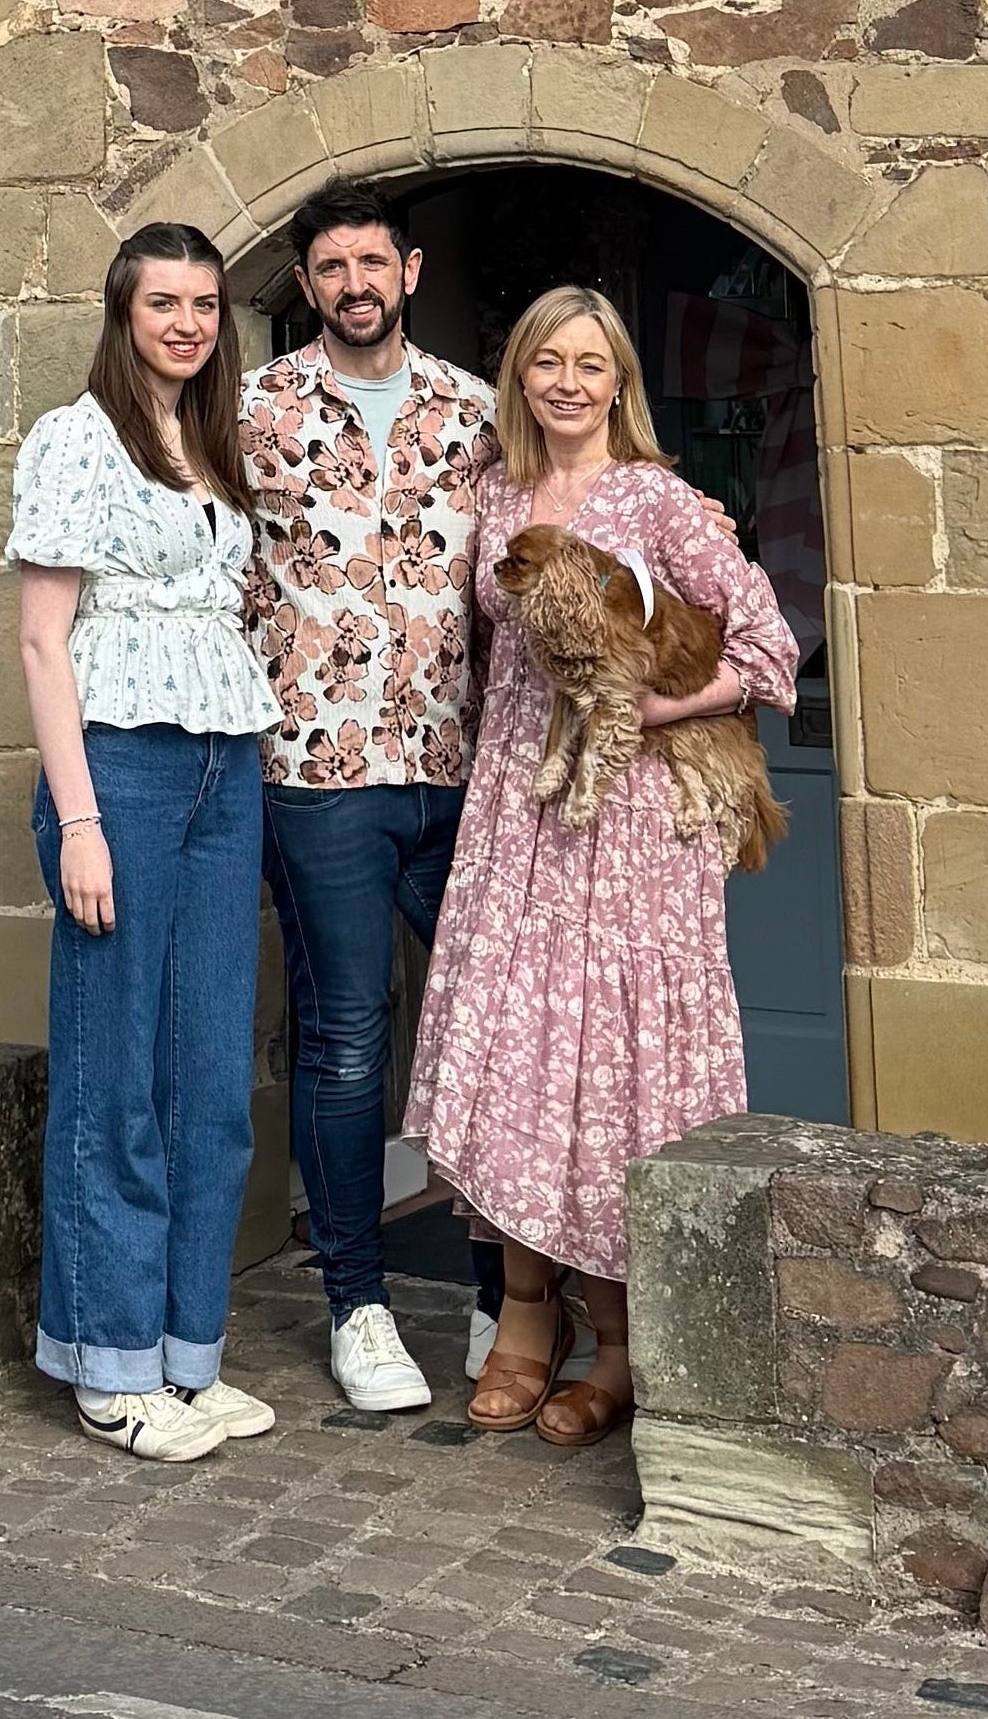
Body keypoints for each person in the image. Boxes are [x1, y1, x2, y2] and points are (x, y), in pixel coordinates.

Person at [241, 186, 732, 1412]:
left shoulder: (475, 418)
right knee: (356, 1041)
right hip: (323, 770)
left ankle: (506, 1299)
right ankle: (361, 1302)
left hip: (467, 773)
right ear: (308, 284)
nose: (355, 282)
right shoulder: (255, 410)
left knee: (518, 1044)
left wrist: (680, 581)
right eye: (330, 267)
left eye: (372, 261)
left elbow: (663, 575)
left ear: (408, 271)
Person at [403, 284, 799, 1448]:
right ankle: (529, 1312)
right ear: (518, 378)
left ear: (619, 380)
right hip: (519, 806)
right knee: (522, 1054)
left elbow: (771, 647)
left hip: (632, 824)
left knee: (619, 1071)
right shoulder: (495, 494)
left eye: (591, 364)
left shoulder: (661, 500)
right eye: (546, 363)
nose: (568, 382)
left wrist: (662, 699)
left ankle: (625, 1342)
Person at [9, 222, 282, 1464]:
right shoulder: (79, 439)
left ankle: (186, 1354)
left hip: (227, 760)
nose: (186, 322)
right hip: (118, 765)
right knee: (117, 1077)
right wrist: (79, 821)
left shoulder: (211, 440)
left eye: (205, 304)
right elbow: (40, 644)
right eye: (162, 302)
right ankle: (107, 1360)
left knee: (213, 1078)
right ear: (123, 314)